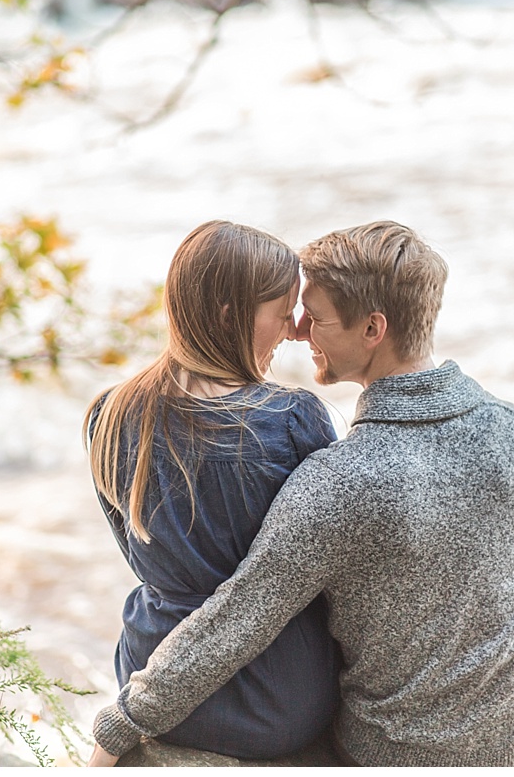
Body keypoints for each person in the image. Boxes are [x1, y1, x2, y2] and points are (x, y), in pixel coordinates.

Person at [88, 220, 514, 767]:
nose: (298, 333)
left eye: (314, 318)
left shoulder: (341, 479)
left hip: (398, 753)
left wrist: (118, 727)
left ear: (372, 330)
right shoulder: (512, 426)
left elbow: (238, 616)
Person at [85, 219, 342, 759]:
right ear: (231, 315)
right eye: (284, 310)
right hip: (276, 700)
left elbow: (139, 549)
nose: (296, 329)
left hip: (149, 671)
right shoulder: (293, 419)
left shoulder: (109, 414)